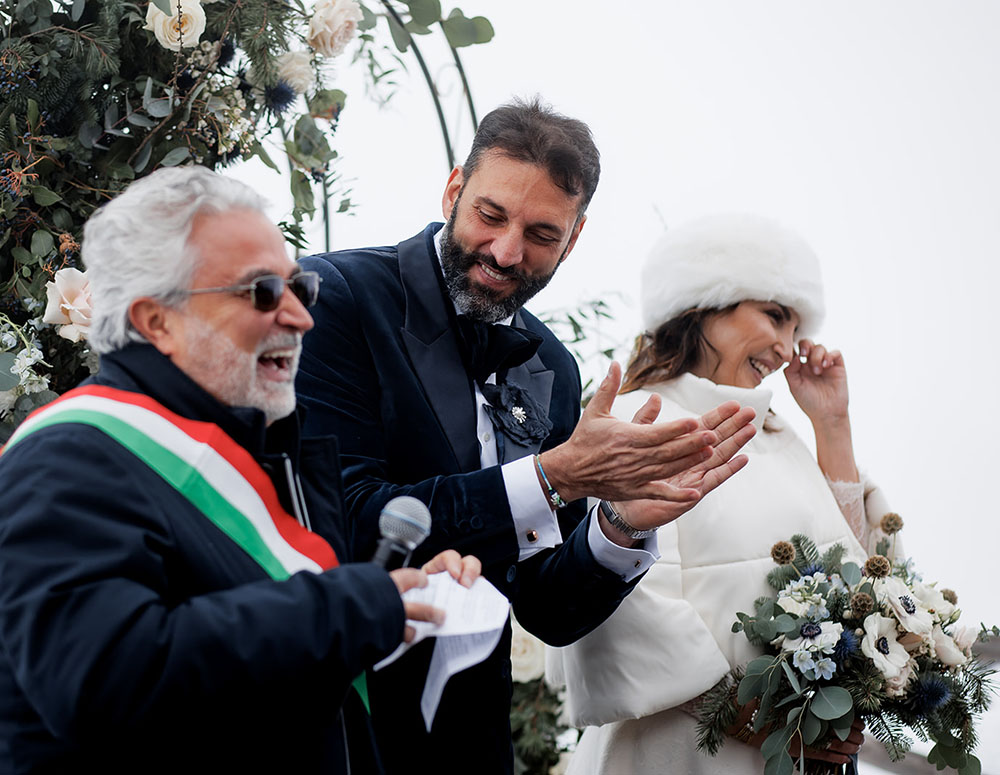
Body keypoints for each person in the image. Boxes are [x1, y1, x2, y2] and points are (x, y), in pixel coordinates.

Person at [296, 99, 757, 773]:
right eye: (490, 215)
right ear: (454, 189)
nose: (507, 252)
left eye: (542, 233)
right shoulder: (334, 295)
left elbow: (547, 608)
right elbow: (344, 518)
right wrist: (555, 476)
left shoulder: (553, 365)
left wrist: (621, 527)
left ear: (573, 240)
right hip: (340, 723)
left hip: (471, 745)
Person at [0, 166, 481, 774]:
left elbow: (259, 655)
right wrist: (345, 609)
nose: (302, 318)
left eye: (296, 288)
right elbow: (106, 678)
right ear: (157, 321)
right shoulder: (67, 459)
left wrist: (394, 598)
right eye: (260, 292)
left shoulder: (258, 448)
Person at [548, 213, 895, 773]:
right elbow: (626, 607)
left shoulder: (779, 435)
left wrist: (832, 424)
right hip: (682, 753)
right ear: (706, 304)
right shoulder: (643, 416)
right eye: (774, 316)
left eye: (796, 330)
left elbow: (859, 573)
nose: (786, 348)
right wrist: (766, 721)